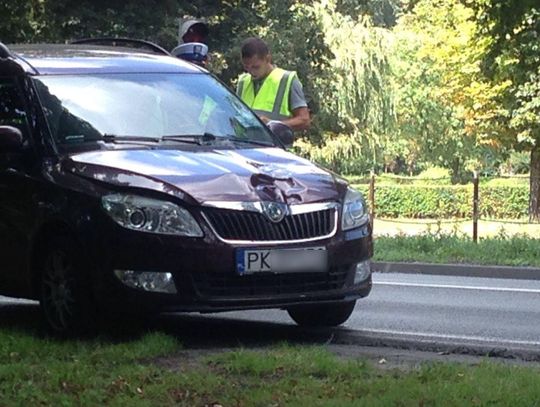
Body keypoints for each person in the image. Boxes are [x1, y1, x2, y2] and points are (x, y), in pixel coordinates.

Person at [236, 37, 310, 131]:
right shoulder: (243, 82)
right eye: (247, 67)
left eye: (256, 67)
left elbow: (304, 120)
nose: (251, 72)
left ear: (268, 59)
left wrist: (273, 125)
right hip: (246, 145)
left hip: (275, 145)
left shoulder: (287, 80)